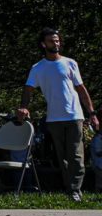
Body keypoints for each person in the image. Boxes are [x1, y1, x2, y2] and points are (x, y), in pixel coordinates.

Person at [16, 27, 99, 202]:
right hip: (54, 118)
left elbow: (81, 89)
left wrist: (92, 112)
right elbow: (28, 89)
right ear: (43, 44)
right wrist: (24, 107)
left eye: (57, 40)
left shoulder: (70, 63)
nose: (56, 43)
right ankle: (71, 190)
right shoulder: (38, 68)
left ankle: (75, 190)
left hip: (75, 115)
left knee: (76, 155)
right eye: (52, 41)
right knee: (62, 157)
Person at [90, 126, 102, 192]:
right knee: (99, 183)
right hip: (98, 165)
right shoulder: (98, 138)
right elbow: (98, 153)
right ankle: (97, 190)